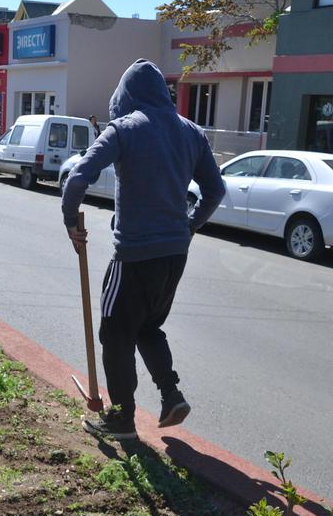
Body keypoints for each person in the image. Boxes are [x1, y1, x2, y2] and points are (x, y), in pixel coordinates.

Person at [61, 59, 224, 439]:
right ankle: (170, 394)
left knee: (115, 333)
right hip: (175, 253)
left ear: (126, 96)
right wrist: (191, 223)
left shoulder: (124, 129)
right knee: (149, 325)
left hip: (134, 253)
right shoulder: (191, 132)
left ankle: (121, 420)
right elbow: (215, 191)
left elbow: (77, 177)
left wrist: (71, 221)